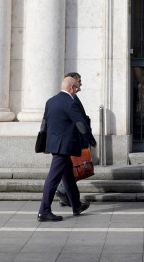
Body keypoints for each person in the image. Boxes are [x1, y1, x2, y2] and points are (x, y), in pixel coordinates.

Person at [37, 74, 91, 222]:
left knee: (68, 176)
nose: (79, 87)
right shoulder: (70, 102)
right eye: (78, 84)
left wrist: (44, 144)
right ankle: (44, 211)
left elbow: (45, 123)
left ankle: (76, 204)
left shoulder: (51, 101)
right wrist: (90, 139)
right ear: (72, 87)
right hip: (64, 146)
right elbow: (80, 122)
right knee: (53, 178)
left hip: (55, 144)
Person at [55, 72, 97, 207]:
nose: (81, 84)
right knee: (73, 167)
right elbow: (77, 120)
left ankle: (68, 197)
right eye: (79, 81)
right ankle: (63, 191)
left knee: (70, 168)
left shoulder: (71, 98)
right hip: (72, 139)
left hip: (70, 139)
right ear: (72, 83)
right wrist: (89, 138)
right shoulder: (69, 99)